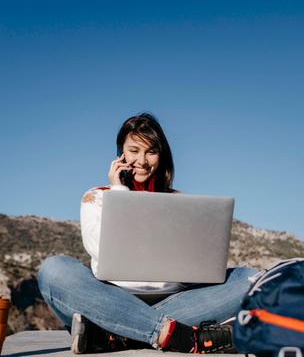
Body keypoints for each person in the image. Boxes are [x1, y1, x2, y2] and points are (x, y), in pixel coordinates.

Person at [37, 113, 256, 354]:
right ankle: (174, 335)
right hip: (109, 298)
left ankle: (114, 334)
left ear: (161, 156)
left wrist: (189, 266)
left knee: (249, 277)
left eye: (151, 151)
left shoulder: (179, 202)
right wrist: (119, 190)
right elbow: (101, 248)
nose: (141, 160)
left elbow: (193, 268)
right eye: (134, 150)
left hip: (176, 301)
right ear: (121, 153)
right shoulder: (97, 196)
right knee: (53, 269)